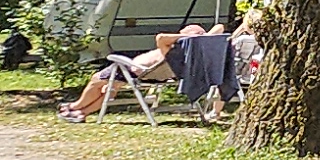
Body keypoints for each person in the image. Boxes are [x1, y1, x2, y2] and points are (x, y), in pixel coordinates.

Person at [64, 23, 215, 122]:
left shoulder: (172, 49)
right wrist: (202, 38)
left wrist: (188, 36)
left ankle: (75, 107)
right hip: (155, 76)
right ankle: (82, 113)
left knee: (97, 80)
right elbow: (219, 27)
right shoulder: (193, 55)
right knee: (109, 89)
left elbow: (160, 37)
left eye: (183, 32)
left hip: (136, 71)